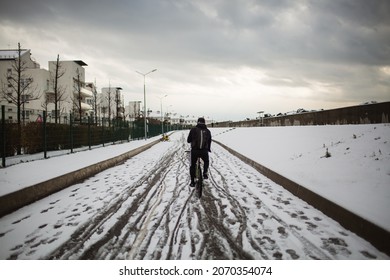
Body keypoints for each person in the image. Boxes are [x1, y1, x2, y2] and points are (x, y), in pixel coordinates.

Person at [187, 117, 212, 187]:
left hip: (195, 151)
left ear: (197, 122)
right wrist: (208, 149)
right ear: (204, 123)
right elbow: (209, 141)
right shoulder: (207, 131)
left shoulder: (193, 130)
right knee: (206, 161)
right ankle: (205, 173)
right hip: (204, 151)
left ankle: (192, 182)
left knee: (192, 165)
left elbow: (188, 140)